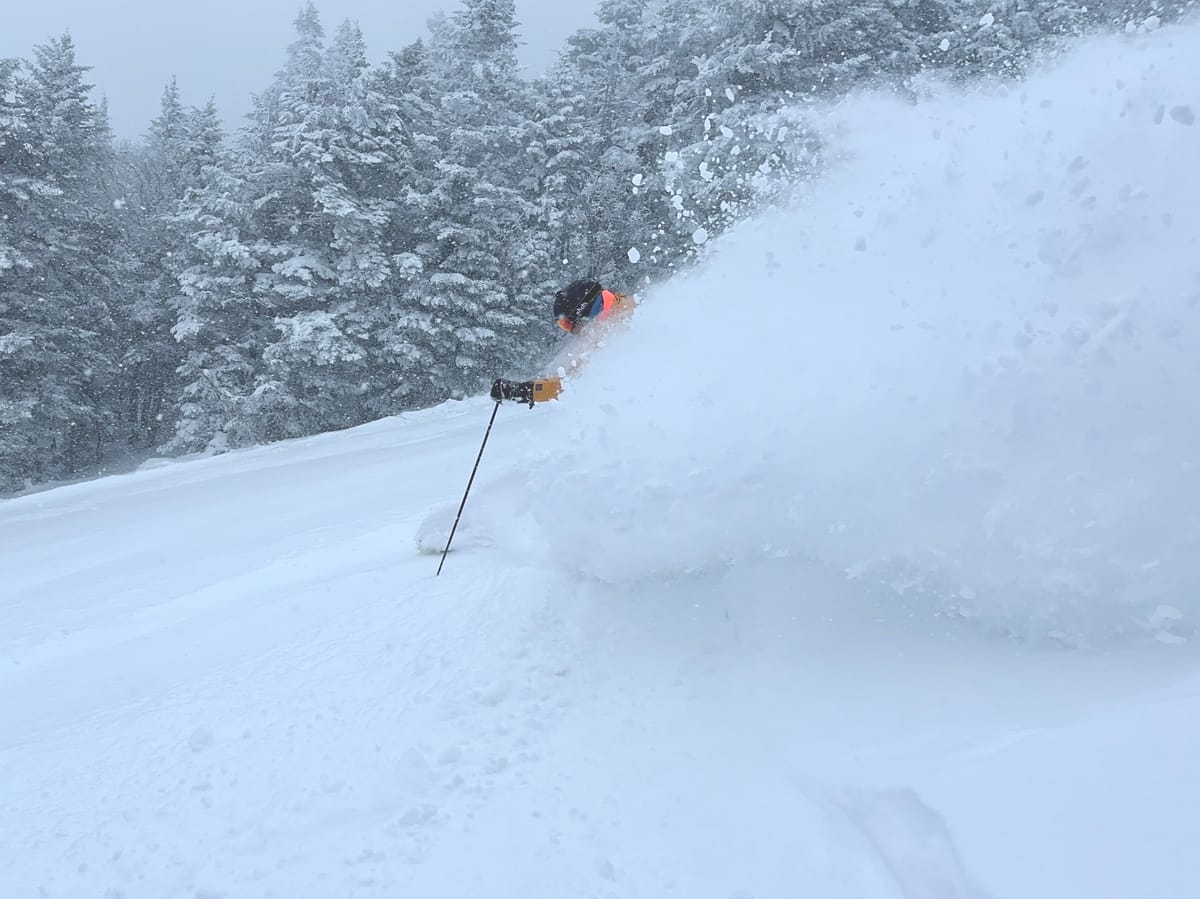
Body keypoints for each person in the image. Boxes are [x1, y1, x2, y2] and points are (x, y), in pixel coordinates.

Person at [490, 278, 635, 406]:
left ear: (583, 312)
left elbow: (570, 385)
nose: (572, 331)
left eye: (567, 324)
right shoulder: (626, 311)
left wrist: (520, 391)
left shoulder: (610, 333)